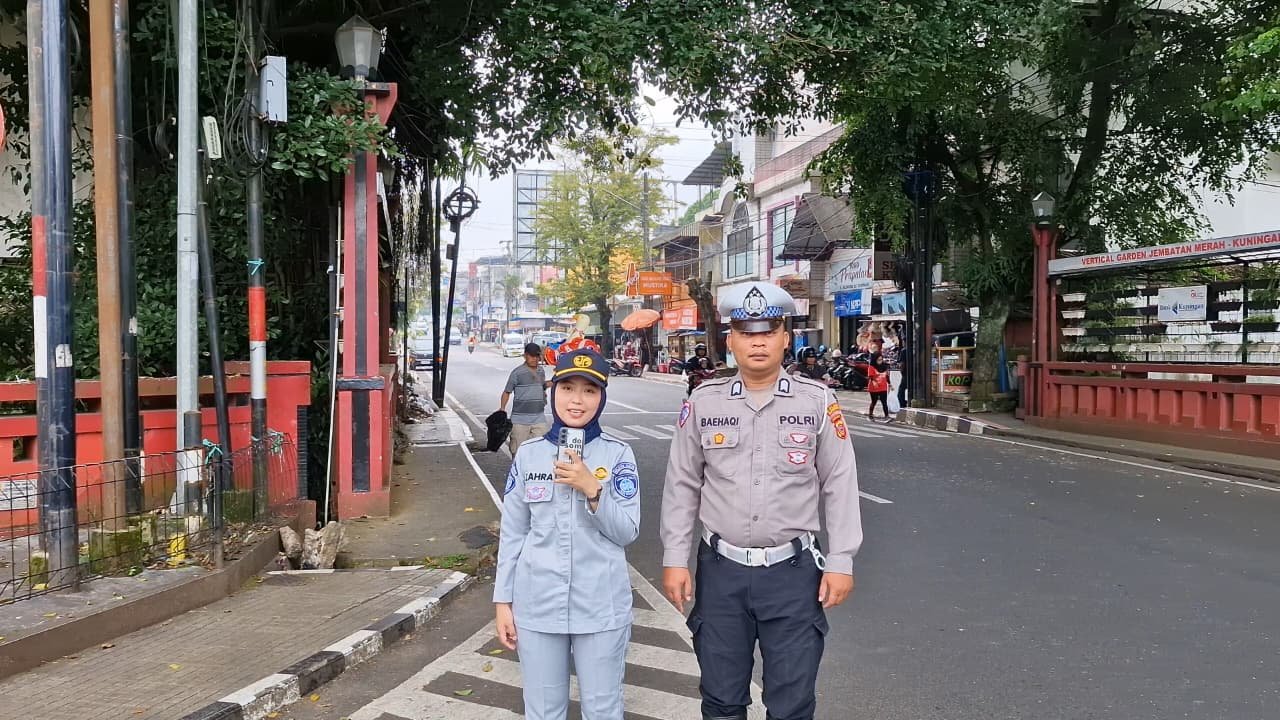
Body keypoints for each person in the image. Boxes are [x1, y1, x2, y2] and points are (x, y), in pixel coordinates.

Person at [661, 281, 862, 720]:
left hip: (793, 577)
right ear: (730, 339)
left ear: (785, 338)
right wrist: (675, 557)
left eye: (768, 331)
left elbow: (840, 482)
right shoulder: (703, 402)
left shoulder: (817, 402)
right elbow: (682, 483)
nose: (758, 342)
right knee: (721, 701)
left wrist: (842, 560)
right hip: (721, 575)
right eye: (747, 333)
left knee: (791, 706)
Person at [494, 348, 641, 720]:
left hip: (601, 607)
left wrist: (594, 489)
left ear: (602, 398)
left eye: (590, 391)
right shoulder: (528, 456)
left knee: (603, 709)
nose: (577, 400)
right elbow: (513, 534)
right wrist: (502, 602)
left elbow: (626, 532)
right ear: (553, 392)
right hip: (538, 605)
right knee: (543, 711)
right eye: (568, 388)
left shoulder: (618, 455)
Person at [499, 343, 550, 453]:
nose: (534, 359)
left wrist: (553, 381)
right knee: (518, 451)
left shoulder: (541, 371)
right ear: (525, 356)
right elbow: (507, 391)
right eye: (531, 356)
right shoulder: (517, 373)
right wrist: (502, 409)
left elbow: (541, 386)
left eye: (536, 356)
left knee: (541, 449)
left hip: (539, 418)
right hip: (519, 420)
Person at [866, 338, 892, 420]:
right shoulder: (871, 367)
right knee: (874, 402)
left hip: (883, 387)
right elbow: (870, 377)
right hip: (874, 388)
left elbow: (886, 375)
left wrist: (889, 383)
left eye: (881, 359)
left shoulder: (884, 366)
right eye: (879, 360)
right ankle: (870, 414)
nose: (880, 361)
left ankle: (886, 416)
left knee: (884, 402)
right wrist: (874, 382)